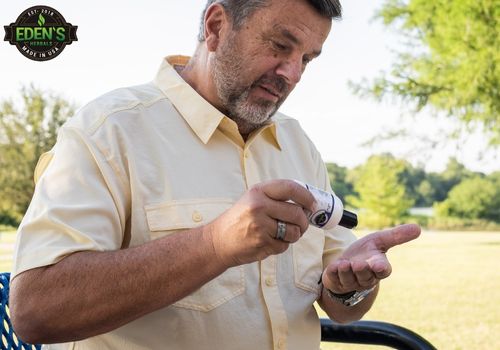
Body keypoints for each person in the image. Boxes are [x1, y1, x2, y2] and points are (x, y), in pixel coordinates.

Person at [9, 0, 421, 349]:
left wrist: (351, 286)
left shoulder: (297, 143)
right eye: (281, 46)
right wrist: (214, 243)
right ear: (216, 27)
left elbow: (339, 305)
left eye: (307, 59)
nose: (292, 74)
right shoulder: (108, 132)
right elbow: (35, 311)